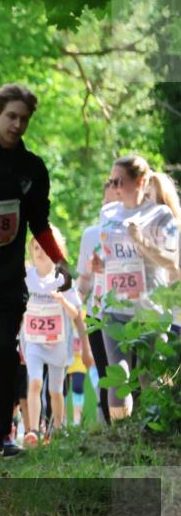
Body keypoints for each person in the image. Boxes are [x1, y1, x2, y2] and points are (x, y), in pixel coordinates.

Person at [0, 83, 72, 457]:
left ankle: (0, 438)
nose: (17, 124)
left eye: (24, 119)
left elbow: (39, 221)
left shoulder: (33, 167)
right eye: (11, 116)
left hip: (9, 280)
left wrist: (58, 259)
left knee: (7, 354)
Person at [95, 155, 179, 420]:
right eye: (111, 181)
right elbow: (111, 254)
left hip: (150, 311)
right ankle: (121, 440)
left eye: (119, 181)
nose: (115, 187)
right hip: (115, 308)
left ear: (140, 182)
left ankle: (158, 436)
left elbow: (172, 261)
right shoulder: (108, 213)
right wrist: (101, 263)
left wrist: (141, 241)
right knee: (118, 378)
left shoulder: (159, 214)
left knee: (150, 377)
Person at [21, 229, 80, 445]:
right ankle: (33, 430)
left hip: (57, 344)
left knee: (55, 390)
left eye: (45, 246)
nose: (40, 251)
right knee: (35, 383)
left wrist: (63, 302)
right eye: (36, 247)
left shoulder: (62, 278)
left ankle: (57, 430)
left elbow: (75, 313)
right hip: (34, 341)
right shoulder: (27, 278)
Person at [76, 179, 118, 424]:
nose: (108, 209)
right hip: (97, 315)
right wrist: (69, 306)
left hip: (131, 315)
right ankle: (111, 436)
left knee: (128, 379)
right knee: (105, 377)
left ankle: (135, 436)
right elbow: (84, 283)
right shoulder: (91, 235)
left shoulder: (138, 232)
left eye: (114, 203)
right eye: (105, 203)